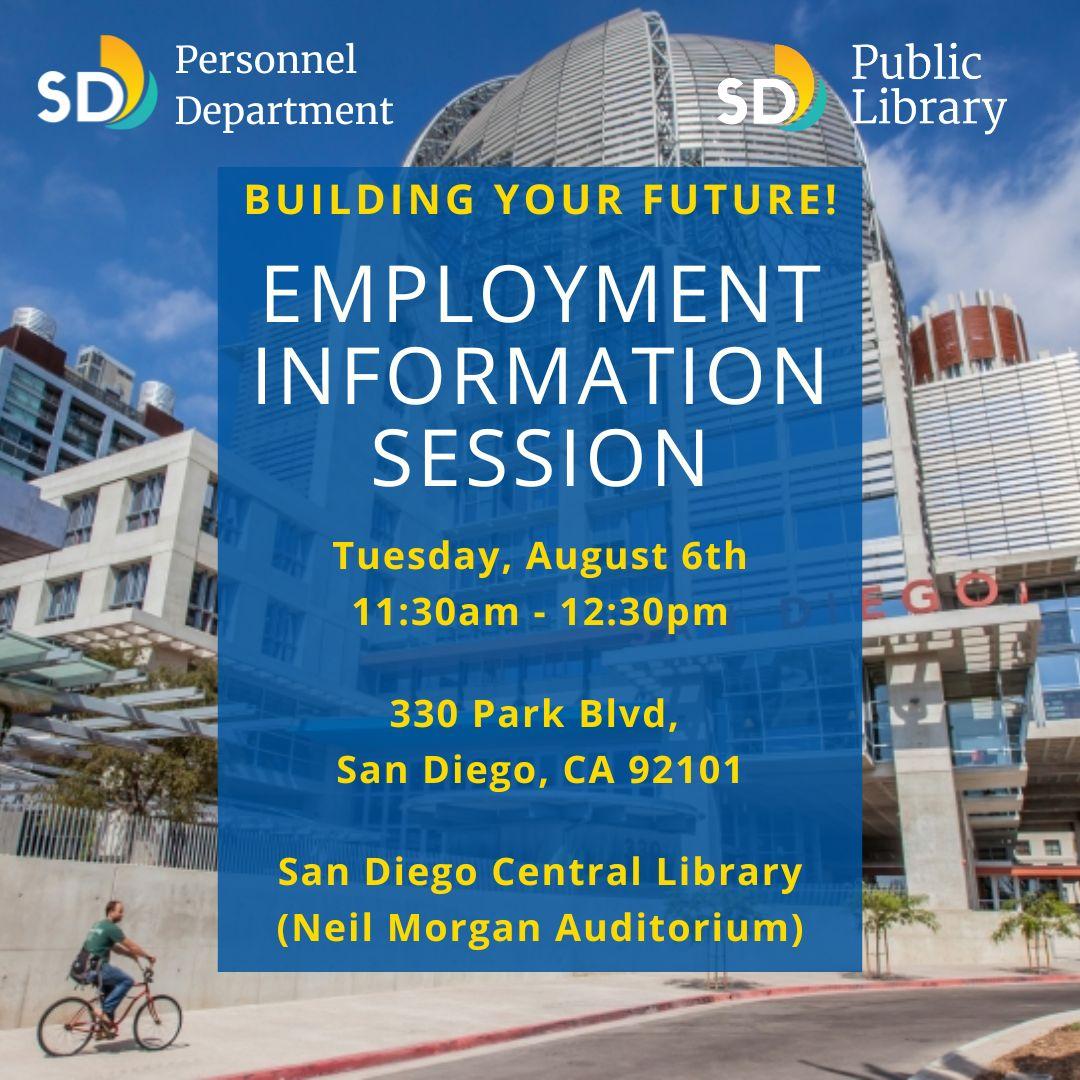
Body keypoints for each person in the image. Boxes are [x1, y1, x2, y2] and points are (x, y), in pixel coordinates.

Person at [82, 900, 155, 1035]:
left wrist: (130, 955)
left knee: (111, 992)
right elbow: (131, 945)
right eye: (120, 911)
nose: (122, 915)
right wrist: (148, 956)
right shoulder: (111, 928)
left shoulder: (99, 925)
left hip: (86, 968)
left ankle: (103, 1030)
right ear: (111, 912)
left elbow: (115, 948)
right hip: (99, 968)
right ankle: (103, 1011)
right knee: (127, 981)